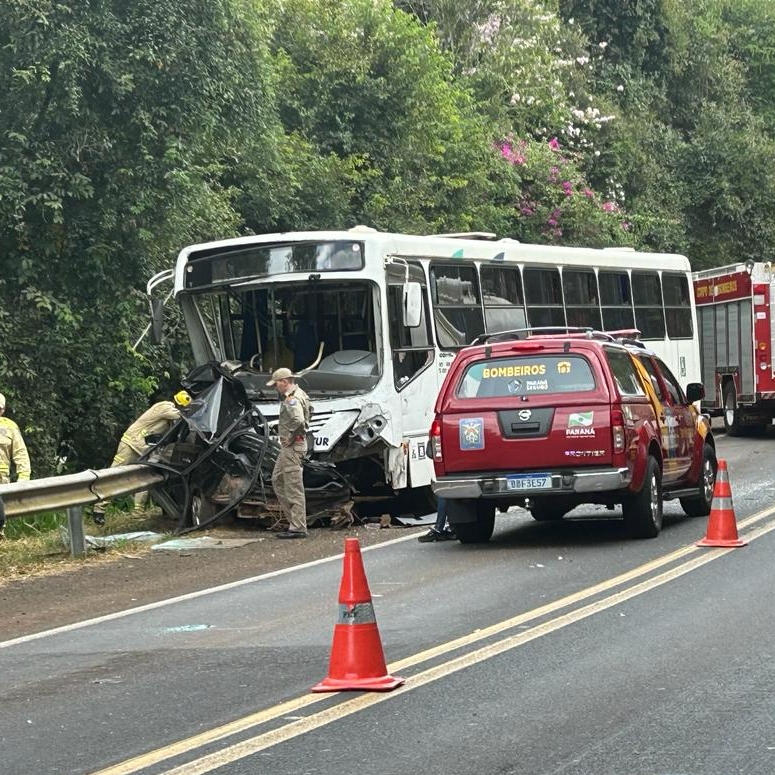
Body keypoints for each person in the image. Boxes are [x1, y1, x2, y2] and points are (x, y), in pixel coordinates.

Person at [92, 390, 191, 524]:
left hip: (144, 449)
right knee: (113, 475)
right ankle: (99, 510)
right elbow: (181, 417)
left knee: (145, 479)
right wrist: (194, 412)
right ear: (178, 404)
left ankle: (138, 513)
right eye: (183, 407)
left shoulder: (170, 417)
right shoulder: (165, 407)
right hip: (130, 444)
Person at [267, 367, 312, 539]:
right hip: (289, 448)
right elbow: (310, 412)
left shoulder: (291, 400)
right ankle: (294, 521)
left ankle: (298, 527)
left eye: (276, 383)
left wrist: (292, 436)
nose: (275, 387)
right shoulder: (301, 394)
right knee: (277, 479)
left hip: (293, 447)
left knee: (293, 487)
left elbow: (299, 420)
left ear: (284, 381)